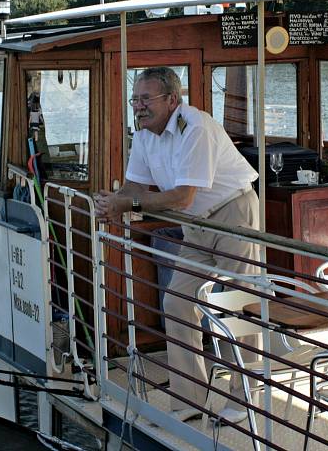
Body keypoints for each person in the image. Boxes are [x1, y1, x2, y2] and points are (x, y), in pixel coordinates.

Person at [94, 66, 261, 423]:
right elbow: (135, 189)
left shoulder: (194, 127)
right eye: (134, 99)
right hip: (197, 224)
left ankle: (245, 400)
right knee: (178, 302)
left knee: (236, 303)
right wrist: (110, 203)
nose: (137, 107)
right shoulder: (143, 135)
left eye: (145, 99)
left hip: (234, 213)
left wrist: (129, 205)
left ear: (172, 100)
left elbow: (183, 197)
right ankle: (190, 401)